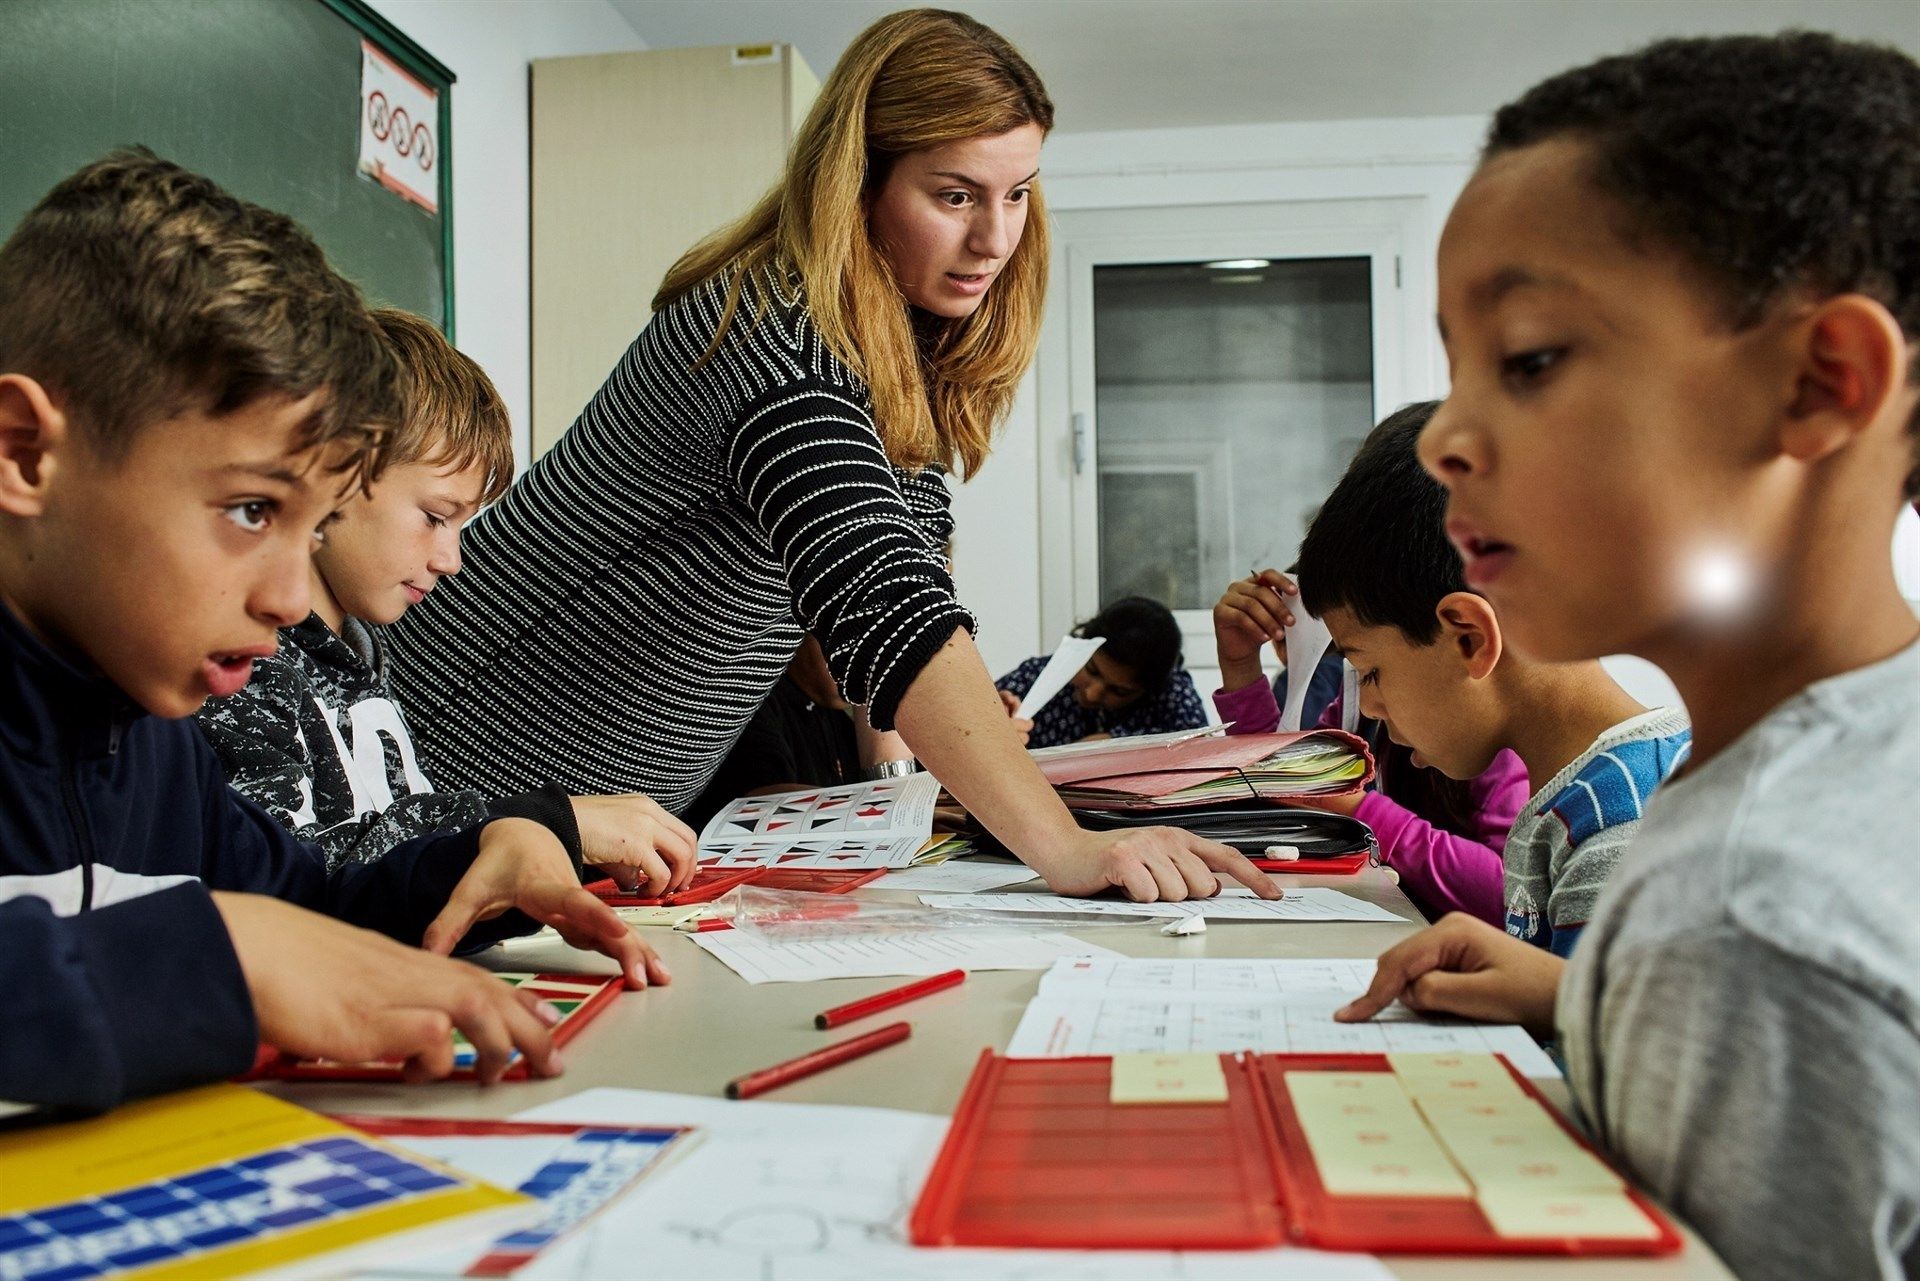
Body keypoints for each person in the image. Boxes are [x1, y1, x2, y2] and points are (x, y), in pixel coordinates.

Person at [386, 9, 1274, 904]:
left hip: (586, 820)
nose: (996, 239)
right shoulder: (770, 337)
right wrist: (1071, 850)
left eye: (1017, 194)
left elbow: (874, 625)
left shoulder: (891, 365)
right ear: (858, 184)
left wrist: (893, 796)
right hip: (452, 756)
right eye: (956, 194)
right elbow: (889, 605)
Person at [1335, 34, 1920, 1280]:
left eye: (1531, 358)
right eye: (1454, 371)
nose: (1444, 436)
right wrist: (1581, 995)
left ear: (1818, 386)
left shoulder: (1747, 917)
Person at [0, 151, 663, 1113]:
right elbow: (245, 947)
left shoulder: (156, 740)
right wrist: (224, 957)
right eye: (250, 510)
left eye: (310, 529)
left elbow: (308, 915)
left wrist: (478, 854)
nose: (285, 596)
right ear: (26, 453)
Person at [196, 308, 698, 896]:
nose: (450, 560)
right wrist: (541, 826)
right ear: (334, 473)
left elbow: (397, 847)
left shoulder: (362, 651)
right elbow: (291, 877)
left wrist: (536, 855)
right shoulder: (248, 662)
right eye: (435, 517)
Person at [1228, 404, 1689, 954]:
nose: (1368, 706)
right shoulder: (1563, 806)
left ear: (1469, 637)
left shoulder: (1623, 828)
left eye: (1371, 672)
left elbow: (1605, 1043)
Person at [1211, 415, 1529, 926]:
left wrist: (1361, 810)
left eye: (1371, 671)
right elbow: (1285, 784)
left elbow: (1513, 897)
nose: (1369, 695)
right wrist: (1241, 667)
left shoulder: (1510, 734)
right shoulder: (1367, 698)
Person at [685, 635, 912, 827]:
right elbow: (760, 799)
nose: (854, 663)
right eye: (845, 645)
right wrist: (877, 809)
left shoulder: (842, 722)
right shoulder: (758, 703)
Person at [994, 596, 1207, 748]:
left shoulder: (1173, 693)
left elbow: (1198, 748)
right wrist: (995, 713)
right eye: (1091, 669)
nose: (1092, 694)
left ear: (1147, 691)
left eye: (1119, 691)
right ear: (1084, 643)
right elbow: (974, 722)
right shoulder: (1037, 675)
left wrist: (1114, 742)